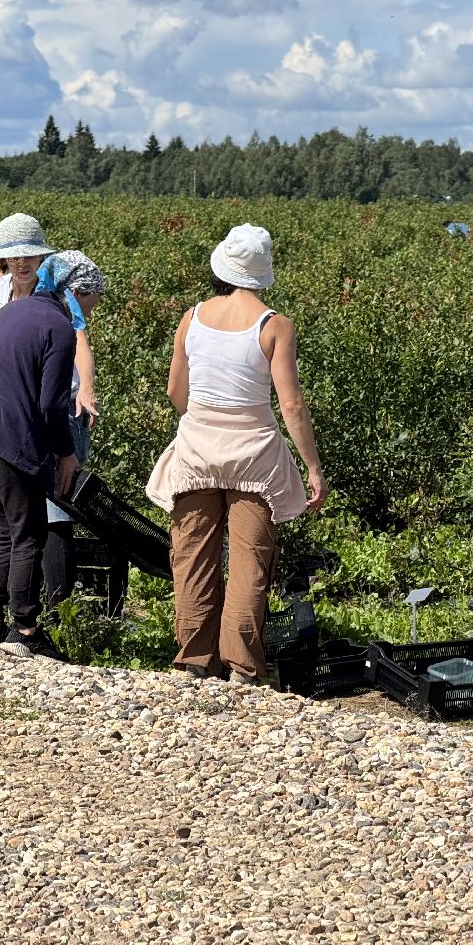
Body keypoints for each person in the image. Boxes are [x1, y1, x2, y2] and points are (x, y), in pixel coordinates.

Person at [146, 223, 328, 684]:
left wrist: (203, 420)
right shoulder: (274, 326)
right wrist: (312, 466)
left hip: (196, 452)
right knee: (250, 560)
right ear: (262, 272)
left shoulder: (192, 316)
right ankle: (243, 668)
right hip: (255, 457)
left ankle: (193, 660)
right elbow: (291, 405)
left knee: (191, 556)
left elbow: (175, 390)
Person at [0, 266, 79, 662]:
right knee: (28, 534)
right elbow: (51, 404)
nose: (89, 309)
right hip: (7, 437)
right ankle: (25, 629)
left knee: (3, 530)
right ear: (72, 293)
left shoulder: (10, 312)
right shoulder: (58, 327)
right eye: (89, 299)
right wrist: (64, 452)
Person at [0, 215, 102, 611]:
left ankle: (56, 608)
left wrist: (86, 388)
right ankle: (20, 606)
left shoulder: (58, 293)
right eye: (14, 258)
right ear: (3, 262)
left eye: (30, 256)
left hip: (57, 402)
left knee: (56, 506)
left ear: (40, 257)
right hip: (20, 409)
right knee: (21, 510)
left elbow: (79, 341)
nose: (22, 264)